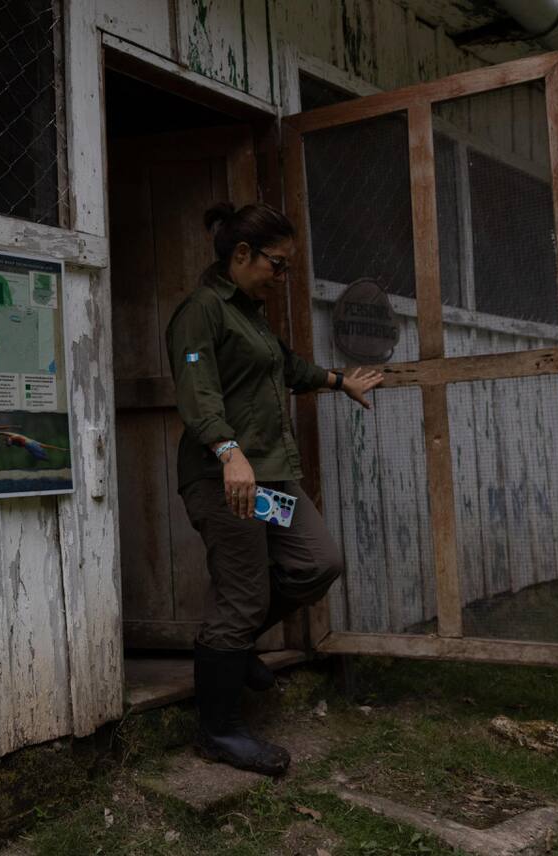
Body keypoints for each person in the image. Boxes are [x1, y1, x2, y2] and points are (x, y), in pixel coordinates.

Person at [165, 201, 383, 776]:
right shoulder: (201, 313)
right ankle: (219, 731)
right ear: (242, 255)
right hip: (225, 480)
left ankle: (230, 653)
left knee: (317, 560)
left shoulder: (252, 313)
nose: (283, 277)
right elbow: (199, 395)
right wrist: (229, 452)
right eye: (278, 265)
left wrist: (340, 382)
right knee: (242, 597)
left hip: (268, 475)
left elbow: (283, 366)